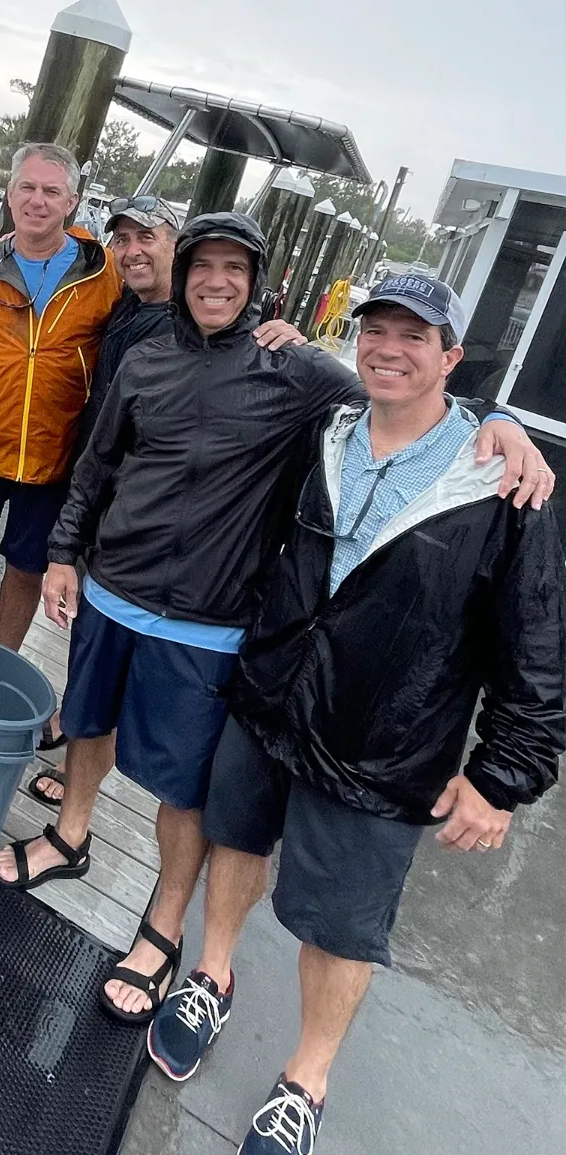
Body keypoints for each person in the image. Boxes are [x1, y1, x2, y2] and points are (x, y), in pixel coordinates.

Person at [0, 215, 554, 1028]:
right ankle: (70, 834)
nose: (214, 281)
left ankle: (162, 928)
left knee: (186, 790)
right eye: (200, 267)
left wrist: (500, 418)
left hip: (208, 624)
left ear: (257, 284)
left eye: (233, 269)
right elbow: (97, 462)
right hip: (111, 592)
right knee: (86, 724)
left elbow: (402, 395)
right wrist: (67, 552)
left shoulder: (296, 373)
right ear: (180, 276)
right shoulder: (144, 357)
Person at [148, 275, 565, 1154]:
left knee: (342, 925)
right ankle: (211, 974)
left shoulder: (501, 484)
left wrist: (500, 775)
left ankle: (307, 1076)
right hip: (268, 699)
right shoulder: (327, 433)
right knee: (233, 840)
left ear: (450, 357)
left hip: (385, 746)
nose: (387, 347)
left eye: (415, 336)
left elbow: (536, 646)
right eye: (375, 329)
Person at [28, 196, 305, 771]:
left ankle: (74, 745)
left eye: (145, 237)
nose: (131, 251)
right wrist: (65, 546)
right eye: (121, 240)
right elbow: (101, 451)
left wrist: (497, 420)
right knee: (89, 654)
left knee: (152, 718)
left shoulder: (278, 361)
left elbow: (387, 404)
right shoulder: (129, 310)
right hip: (108, 523)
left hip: (193, 585)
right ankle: (71, 725)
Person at [0, 142, 122, 652]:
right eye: (27, 188)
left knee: (26, 565)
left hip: (55, 453)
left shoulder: (102, 272)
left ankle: (3, 657)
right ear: (10, 195)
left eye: (51, 191)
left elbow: (161, 306)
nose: (38, 201)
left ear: (72, 202)